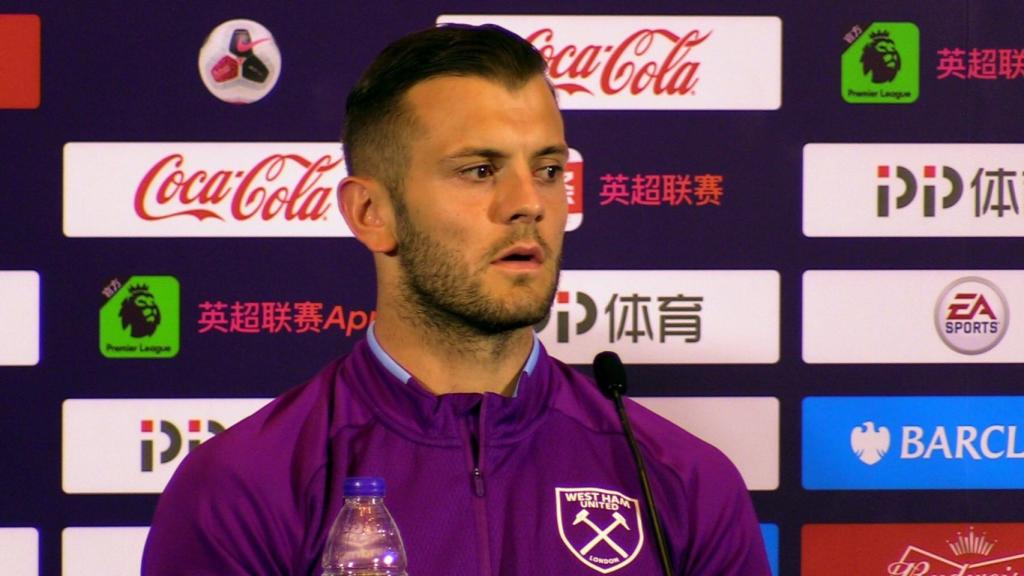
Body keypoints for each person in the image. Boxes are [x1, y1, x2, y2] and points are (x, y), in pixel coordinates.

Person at [142, 23, 771, 575]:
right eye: (479, 170)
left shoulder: (684, 482)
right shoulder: (244, 486)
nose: (528, 203)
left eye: (548, 170)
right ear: (370, 213)